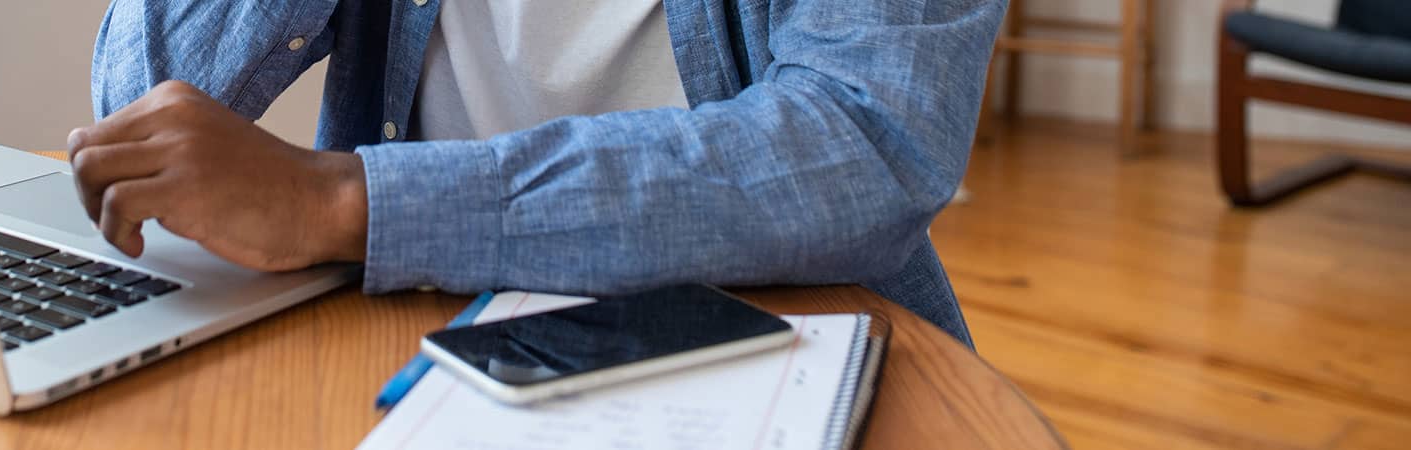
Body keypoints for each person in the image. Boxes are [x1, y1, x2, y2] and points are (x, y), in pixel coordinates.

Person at [69, 0, 1002, 344]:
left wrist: (346, 201)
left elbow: (865, 144)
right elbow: (144, 95)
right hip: (412, 338)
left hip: (777, 348)